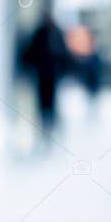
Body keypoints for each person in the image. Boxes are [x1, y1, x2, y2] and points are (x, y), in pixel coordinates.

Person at [22, 11, 71, 143]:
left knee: (52, 101)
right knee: (43, 102)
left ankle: (51, 126)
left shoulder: (57, 34)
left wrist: (62, 71)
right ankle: (44, 126)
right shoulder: (40, 34)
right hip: (42, 75)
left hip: (53, 76)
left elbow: (65, 56)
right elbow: (30, 52)